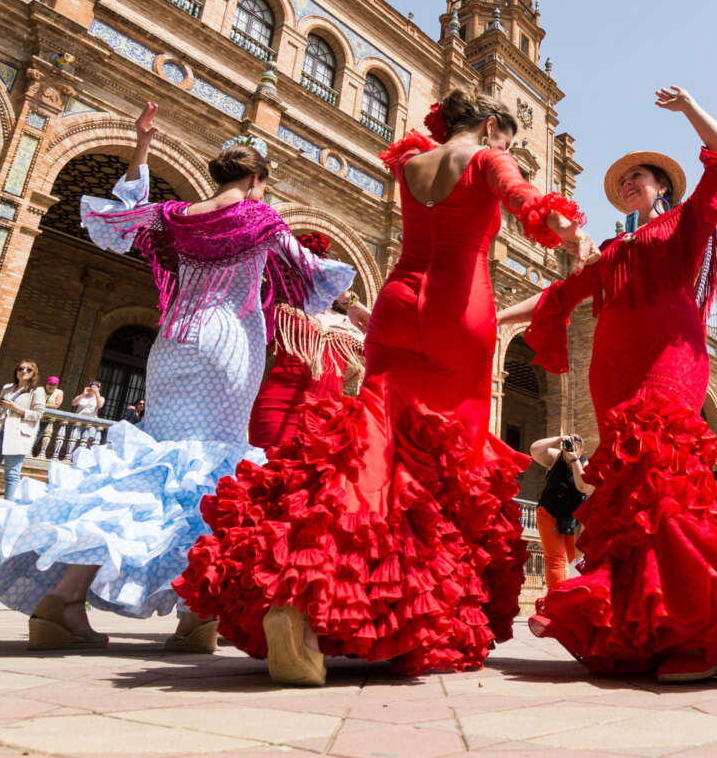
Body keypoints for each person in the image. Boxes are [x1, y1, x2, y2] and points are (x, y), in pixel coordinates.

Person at [176, 90, 594, 685]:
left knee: (370, 448)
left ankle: (300, 595)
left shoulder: (411, 164)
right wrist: (566, 229)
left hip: (397, 304)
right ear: (494, 126)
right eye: (507, 139)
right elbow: (526, 199)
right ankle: (406, 611)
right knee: (448, 467)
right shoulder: (485, 159)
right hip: (459, 314)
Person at [0, 102, 354, 652]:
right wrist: (356, 310)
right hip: (227, 344)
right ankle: (196, 616)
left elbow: (120, 217)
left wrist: (142, 145)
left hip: (170, 344)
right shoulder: (260, 218)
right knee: (212, 472)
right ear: (257, 181)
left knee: (148, 465)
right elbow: (308, 273)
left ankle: (64, 601)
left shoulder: (175, 218)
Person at [502, 86, 717, 681]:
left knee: (664, 474)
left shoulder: (684, 224)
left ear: (662, 188)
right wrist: (489, 318)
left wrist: (692, 107)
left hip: (671, 358)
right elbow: (557, 298)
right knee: (632, 499)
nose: (629, 186)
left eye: (640, 179)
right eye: (623, 182)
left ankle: (699, 631)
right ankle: (654, 628)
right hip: (612, 372)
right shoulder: (614, 249)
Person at [247, 231, 370, 450]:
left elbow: (386, 352)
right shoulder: (281, 310)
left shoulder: (351, 324)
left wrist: (352, 303)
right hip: (276, 409)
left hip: (327, 422)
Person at [0, 361, 45, 510]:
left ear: (33, 373)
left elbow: (38, 414)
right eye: (20, 369)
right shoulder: (7, 388)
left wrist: (15, 408)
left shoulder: (36, 391)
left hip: (17, 436)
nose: (23, 371)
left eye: (28, 369)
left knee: (11, 475)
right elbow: (0, 408)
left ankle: (7, 511)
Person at [530, 434, 592, 590]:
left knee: (577, 560)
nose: (571, 448)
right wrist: (559, 439)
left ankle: (577, 595)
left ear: (581, 449)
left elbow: (583, 487)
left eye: (575, 446)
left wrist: (573, 460)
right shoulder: (556, 457)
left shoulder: (585, 463)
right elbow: (534, 450)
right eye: (569, 444)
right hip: (549, 512)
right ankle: (555, 600)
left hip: (574, 519)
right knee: (554, 560)